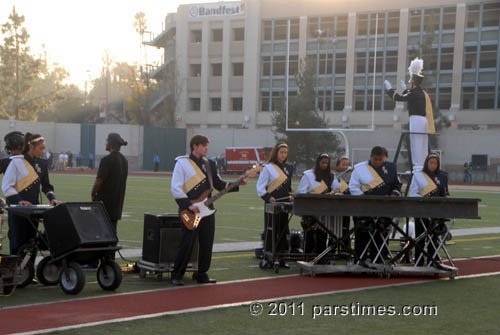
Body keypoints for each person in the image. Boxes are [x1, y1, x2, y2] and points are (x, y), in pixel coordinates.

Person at [170, 134, 247, 285]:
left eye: (207, 146)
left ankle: (202, 273)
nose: (206, 148)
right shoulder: (182, 163)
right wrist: (188, 205)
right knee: (187, 243)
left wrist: (238, 183)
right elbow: (175, 187)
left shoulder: (209, 164)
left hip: (208, 211)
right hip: (190, 211)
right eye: (203, 145)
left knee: (207, 243)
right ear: (195, 146)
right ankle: (177, 274)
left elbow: (219, 184)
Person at [2, 133, 61, 268]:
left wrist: (53, 199)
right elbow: (6, 186)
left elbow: (46, 186)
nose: (43, 151)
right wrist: (19, 200)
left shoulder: (42, 163)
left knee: (32, 241)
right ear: (31, 146)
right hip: (17, 210)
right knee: (18, 240)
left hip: (32, 209)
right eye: (41, 148)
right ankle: (14, 273)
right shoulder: (16, 161)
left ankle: (28, 272)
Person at [349, 146, 402, 262]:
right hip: (364, 207)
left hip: (384, 207)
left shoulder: (391, 168)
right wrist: (364, 200)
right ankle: (359, 259)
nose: (377, 162)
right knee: (362, 233)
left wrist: (393, 195)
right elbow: (353, 187)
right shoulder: (360, 168)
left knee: (380, 233)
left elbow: (397, 185)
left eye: (380, 160)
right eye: (375, 159)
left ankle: (377, 259)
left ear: (385, 158)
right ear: (371, 157)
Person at [384, 57, 435, 172]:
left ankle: (417, 167)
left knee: (416, 143)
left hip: (416, 120)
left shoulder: (414, 92)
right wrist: (406, 90)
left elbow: (399, 98)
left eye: (410, 83)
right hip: (424, 121)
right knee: (422, 145)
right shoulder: (421, 92)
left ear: (413, 83)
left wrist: (389, 90)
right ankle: (423, 167)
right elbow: (409, 96)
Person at [256, 141, 294, 268]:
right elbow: (260, 187)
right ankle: (268, 258)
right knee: (271, 231)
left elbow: (288, 187)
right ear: (276, 153)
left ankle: (282, 258)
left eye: (286, 153)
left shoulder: (289, 168)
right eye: (281, 152)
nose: (284, 155)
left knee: (284, 231)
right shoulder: (268, 168)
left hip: (285, 204)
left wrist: (291, 195)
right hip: (272, 205)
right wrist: (268, 197)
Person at [409, 152, 449, 266]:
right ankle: (419, 260)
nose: (433, 165)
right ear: (426, 163)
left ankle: (433, 259)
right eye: (431, 163)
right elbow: (413, 193)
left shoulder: (443, 176)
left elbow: (445, 193)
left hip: (436, 211)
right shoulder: (418, 175)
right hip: (421, 211)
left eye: (435, 163)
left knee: (434, 237)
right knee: (420, 236)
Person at [296, 153, 335, 255]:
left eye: (327, 163)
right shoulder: (308, 175)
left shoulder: (331, 176)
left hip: (324, 210)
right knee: (310, 235)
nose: (325, 165)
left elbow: (335, 189)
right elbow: (301, 192)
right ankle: (308, 255)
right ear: (318, 162)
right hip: (310, 210)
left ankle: (321, 256)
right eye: (323, 162)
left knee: (322, 234)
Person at [91, 133, 128, 236]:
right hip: (117, 202)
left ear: (110, 144)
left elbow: (99, 181)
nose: (105, 144)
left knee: (101, 233)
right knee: (112, 233)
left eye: (107, 142)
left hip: (104, 203)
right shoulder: (124, 160)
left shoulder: (106, 160)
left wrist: (93, 193)